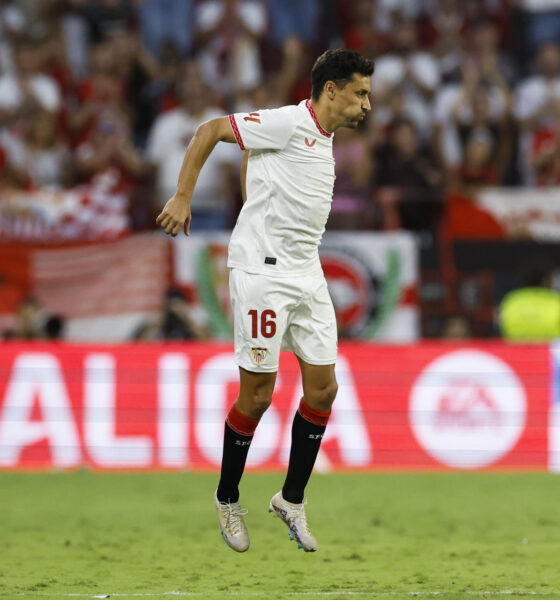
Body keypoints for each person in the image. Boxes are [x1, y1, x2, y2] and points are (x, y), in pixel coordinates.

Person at [156, 49, 374, 553]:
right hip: (264, 274)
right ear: (332, 90)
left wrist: (255, 192)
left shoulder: (323, 138)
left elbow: (255, 160)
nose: (367, 104)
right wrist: (183, 196)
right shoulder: (288, 122)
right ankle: (227, 498)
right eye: (360, 92)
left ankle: (290, 500)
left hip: (308, 272)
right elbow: (210, 130)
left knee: (323, 391)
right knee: (257, 396)